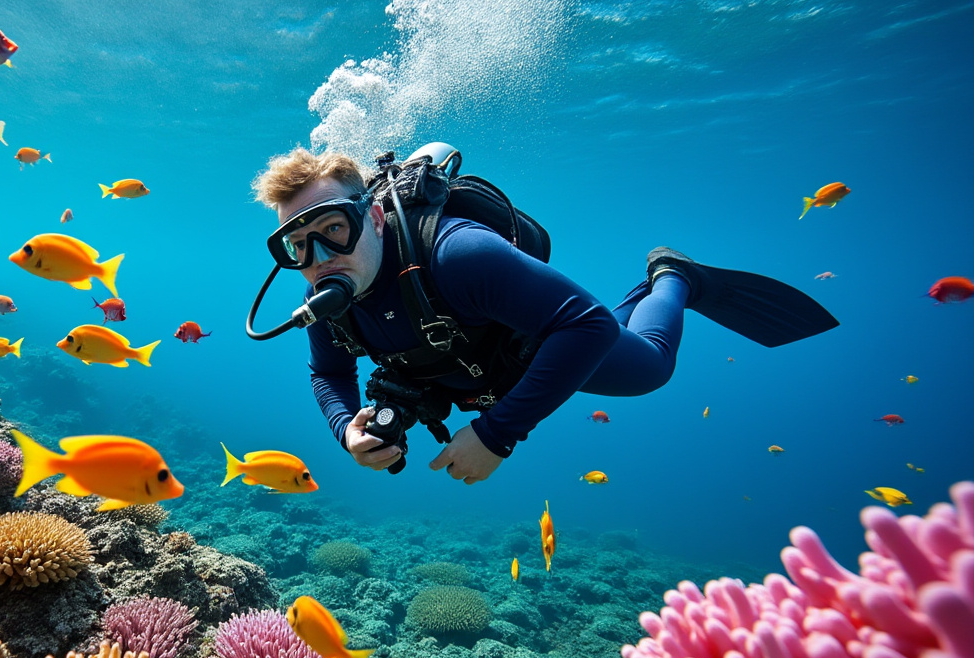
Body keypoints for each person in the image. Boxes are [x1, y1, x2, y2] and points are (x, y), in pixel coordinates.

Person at [250, 146, 838, 485]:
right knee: (576, 315)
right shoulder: (327, 300)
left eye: (334, 230)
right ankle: (623, 289)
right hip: (467, 362)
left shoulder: (461, 256)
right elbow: (327, 375)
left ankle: (673, 274)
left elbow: (589, 327)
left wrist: (496, 433)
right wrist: (346, 427)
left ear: (374, 216)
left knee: (652, 370)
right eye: (296, 247)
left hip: (537, 346)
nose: (319, 259)